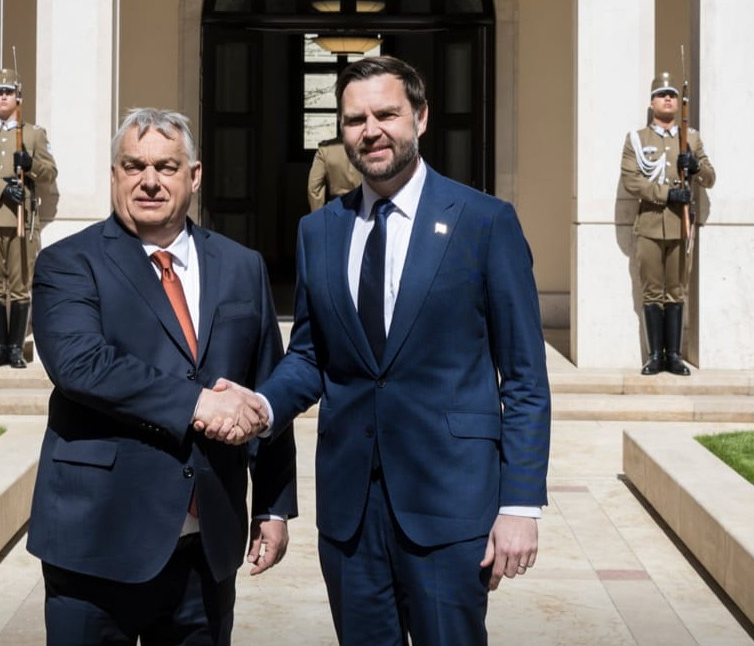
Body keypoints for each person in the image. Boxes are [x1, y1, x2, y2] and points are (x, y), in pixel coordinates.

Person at [210, 56, 551, 645]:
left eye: (386, 114)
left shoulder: (484, 221)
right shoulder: (319, 231)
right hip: (350, 514)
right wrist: (263, 406)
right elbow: (313, 354)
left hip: (450, 505)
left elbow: (523, 377)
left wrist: (521, 503)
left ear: (420, 117)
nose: (370, 130)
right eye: (354, 119)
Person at [27, 108, 297, 646]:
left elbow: (265, 384)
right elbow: (81, 363)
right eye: (134, 166)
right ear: (114, 175)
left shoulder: (242, 266)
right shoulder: (68, 263)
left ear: (193, 176)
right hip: (97, 543)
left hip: (206, 550)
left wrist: (272, 504)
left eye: (167, 167)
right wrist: (198, 404)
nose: (150, 181)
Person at [619, 71, 716, 376]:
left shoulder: (692, 138)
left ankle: (673, 356)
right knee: (652, 292)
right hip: (649, 224)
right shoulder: (637, 139)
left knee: (676, 291)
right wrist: (665, 192)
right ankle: (654, 356)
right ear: (652, 102)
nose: (668, 99)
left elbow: (710, 178)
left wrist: (696, 166)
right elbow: (631, 180)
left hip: (680, 225)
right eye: (663, 95)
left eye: (672, 95)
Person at [0, 67, 59, 369]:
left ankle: (16, 348)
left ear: (19, 97)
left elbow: (50, 173)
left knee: (20, 286)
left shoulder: (33, 134)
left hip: (21, 222)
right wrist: (2, 190)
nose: (3, 97)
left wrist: (30, 165)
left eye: (8, 92)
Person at [306, 135, 363, 212]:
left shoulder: (326, 149)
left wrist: (318, 216)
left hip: (336, 206)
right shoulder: (368, 146)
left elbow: (314, 188)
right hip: (363, 206)